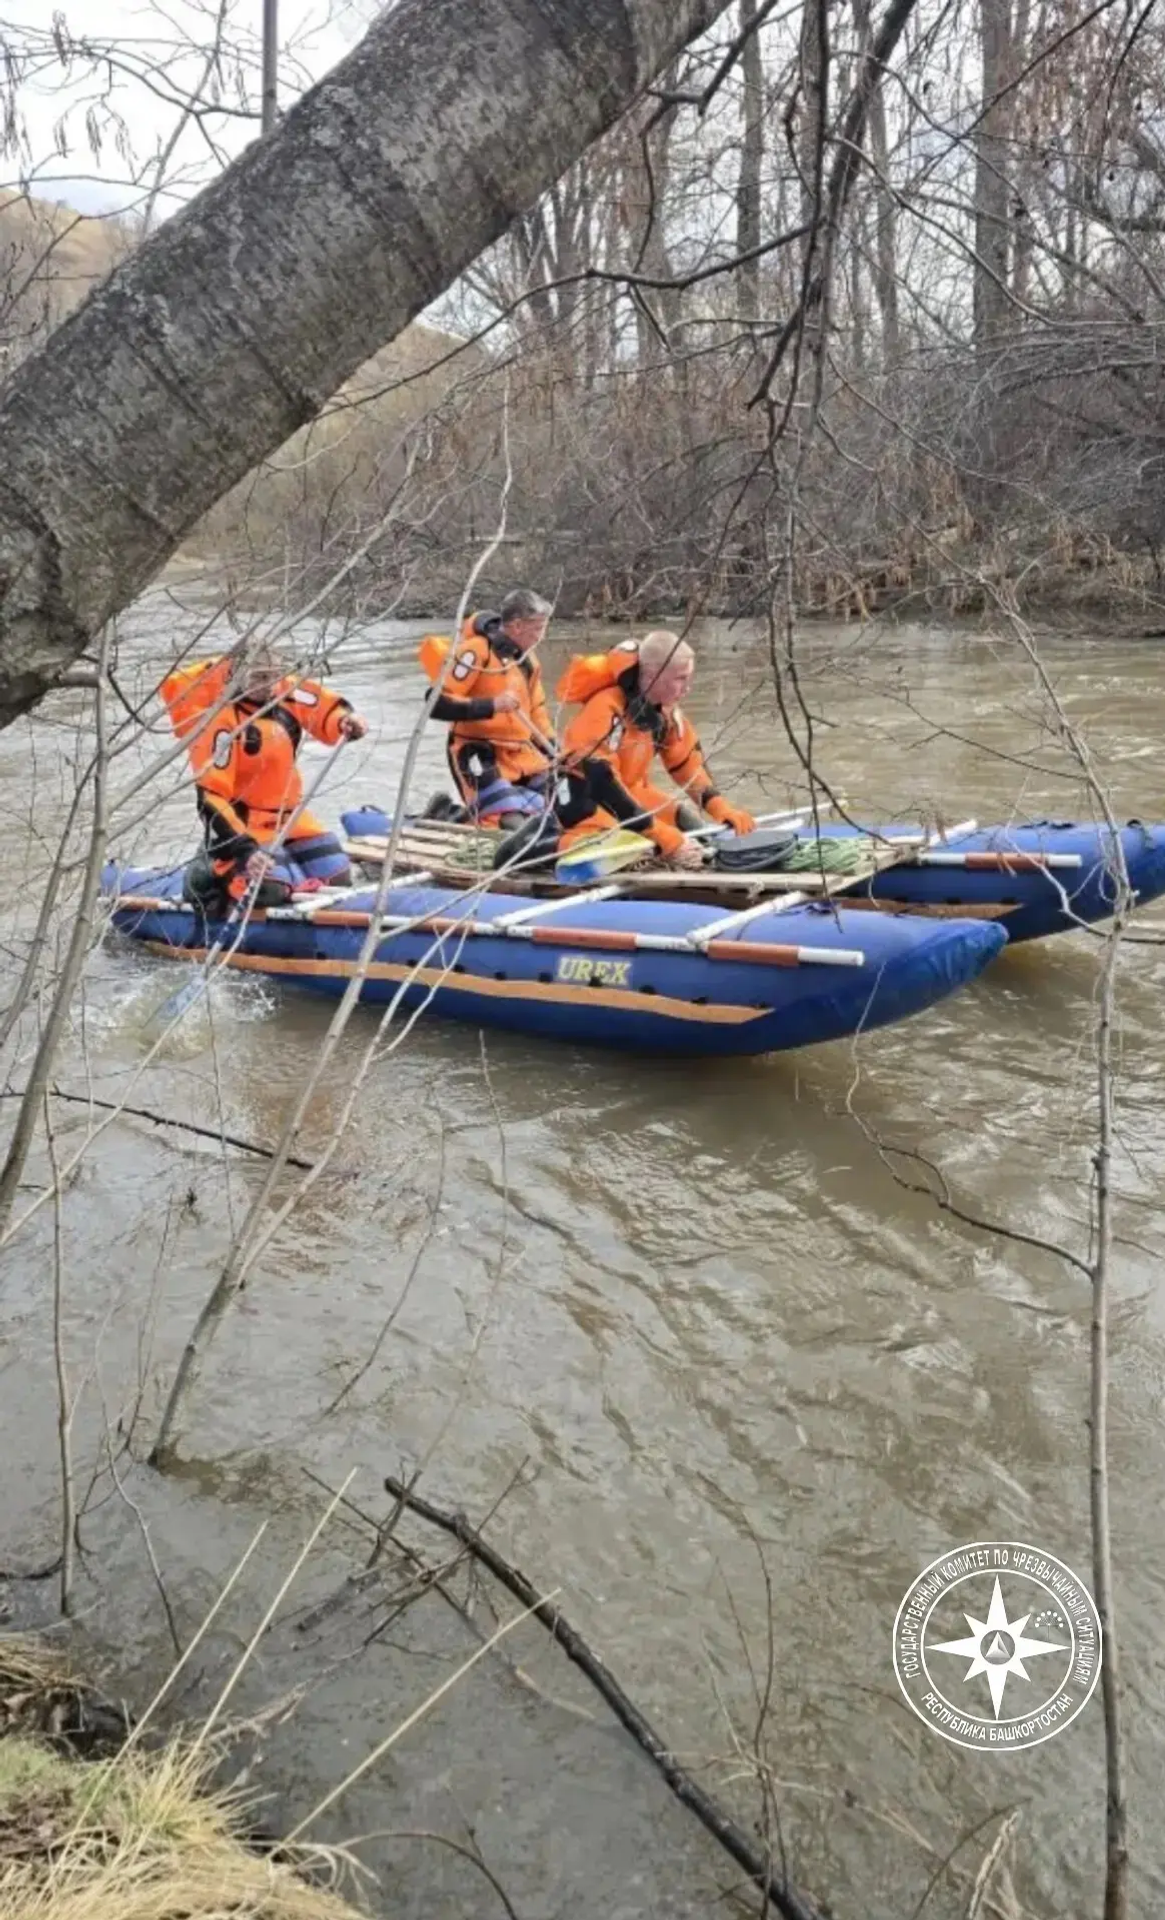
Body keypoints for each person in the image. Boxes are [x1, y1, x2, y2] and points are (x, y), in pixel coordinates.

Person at [158, 639, 368, 908]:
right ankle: (213, 873)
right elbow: (211, 797)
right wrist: (245, 850)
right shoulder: (222, 724)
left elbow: (320, 706)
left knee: (337, 876)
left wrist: (344, 721)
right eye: (259, 677)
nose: (269, 684)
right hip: (245, 826)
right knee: (270, 891)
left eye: (275, 676)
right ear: (236, 676)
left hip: (289, 819)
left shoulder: (285, 693)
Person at [553, 630, 756, 867]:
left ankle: (706, 852)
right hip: (585, 799)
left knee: (685, 821)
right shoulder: (604, 709)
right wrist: (656, 833)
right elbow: (602, 785)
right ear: (651, 676)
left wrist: (721, 808)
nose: (687, 688)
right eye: (680, 679)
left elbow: (687, 767)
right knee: (632, 846)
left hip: (631, 793)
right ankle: (551, 845)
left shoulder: (666, 712)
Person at [417, 588, 554, 828]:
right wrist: (492, 705)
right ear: (518, 626)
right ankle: (449, 816)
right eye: (538, 629)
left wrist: (553, 747)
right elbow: (436, 703)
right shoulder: (476, 653)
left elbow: (538, 712)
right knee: (509, 823)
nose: (540, 637)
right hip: (478, 752)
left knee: (557, 808)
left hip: (520, 752)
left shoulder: (529, 662)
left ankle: (456, 813)